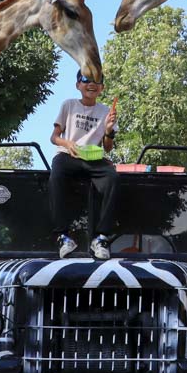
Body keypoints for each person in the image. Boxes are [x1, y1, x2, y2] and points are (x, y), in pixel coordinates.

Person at [49, 69, 119, 259]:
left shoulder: (106, 111)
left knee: (112, 177)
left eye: (97, 80)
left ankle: (101, 237)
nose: (92, 83)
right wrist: (68, 143)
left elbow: (108, 147)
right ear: (78, 84)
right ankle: (63, 236)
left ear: (102, 88)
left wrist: (109, 130)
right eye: (86, 79)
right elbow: (54, 138)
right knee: (56, 173)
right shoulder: (68, 105)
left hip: (93, 158)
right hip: (68, 155)